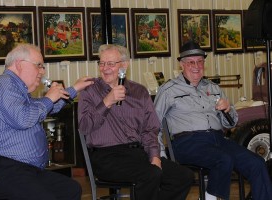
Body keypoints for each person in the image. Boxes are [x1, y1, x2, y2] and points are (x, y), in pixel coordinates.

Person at [0, 44, 94, 200]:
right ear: (19, 64)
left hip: (21, 169)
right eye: (39, 66)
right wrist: (49, 97)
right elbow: (24, 118)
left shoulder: (19, 92)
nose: (42, 71)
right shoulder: (4, 84)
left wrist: (74, 88)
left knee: (70, 189)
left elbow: (45, 108)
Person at [154, 41, 272, 200]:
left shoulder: (213, 88)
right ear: (182, 65)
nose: (196, 66)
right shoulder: (168, 90)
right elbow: (153, 125)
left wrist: (228, 110)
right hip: (187, 143)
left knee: (257, 163)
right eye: (191, 62)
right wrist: (160, 156)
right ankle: (209, 198)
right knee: (223, 159)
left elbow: (230, 124)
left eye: (200, 61)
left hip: (218, 140)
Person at [78, 44, 194, 200]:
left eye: (110, 63)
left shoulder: (139, 91)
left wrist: (154, 156)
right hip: (106, 157)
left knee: (183, 176)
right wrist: (107, 101)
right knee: (150, 175)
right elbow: (84, 126)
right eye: (102, 63)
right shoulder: (90, 90)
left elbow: (150, 129)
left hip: (138, 153)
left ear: (124, 65)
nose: (105, 68)